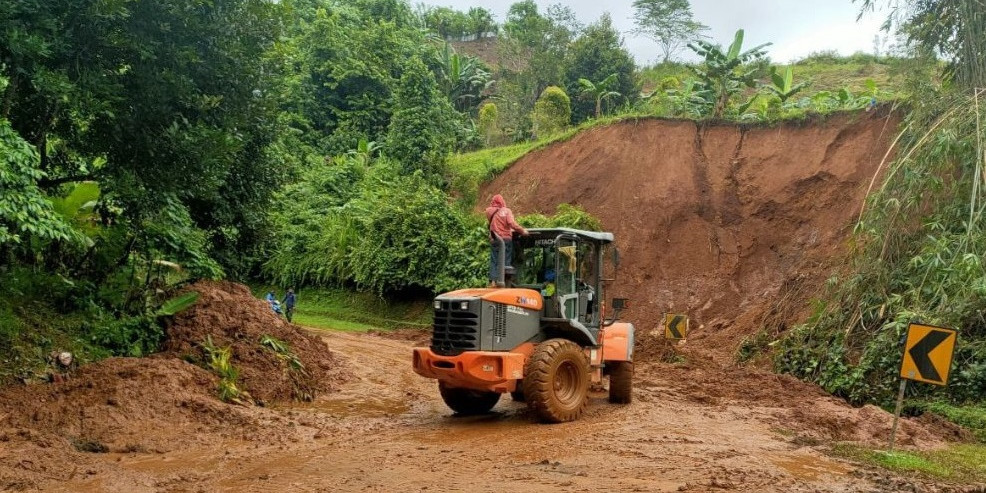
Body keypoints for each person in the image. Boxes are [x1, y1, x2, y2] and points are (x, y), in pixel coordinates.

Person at [485, 194, 528, 286]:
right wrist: (522, 231)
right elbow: (511, 223)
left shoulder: (489, 211)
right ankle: (504, 281)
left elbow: (494, 223)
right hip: (505, 239)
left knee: (494, 260)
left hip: (495, 239)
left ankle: (493, 281)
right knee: (506, 260)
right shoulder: (506, 211)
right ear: (502, 201)